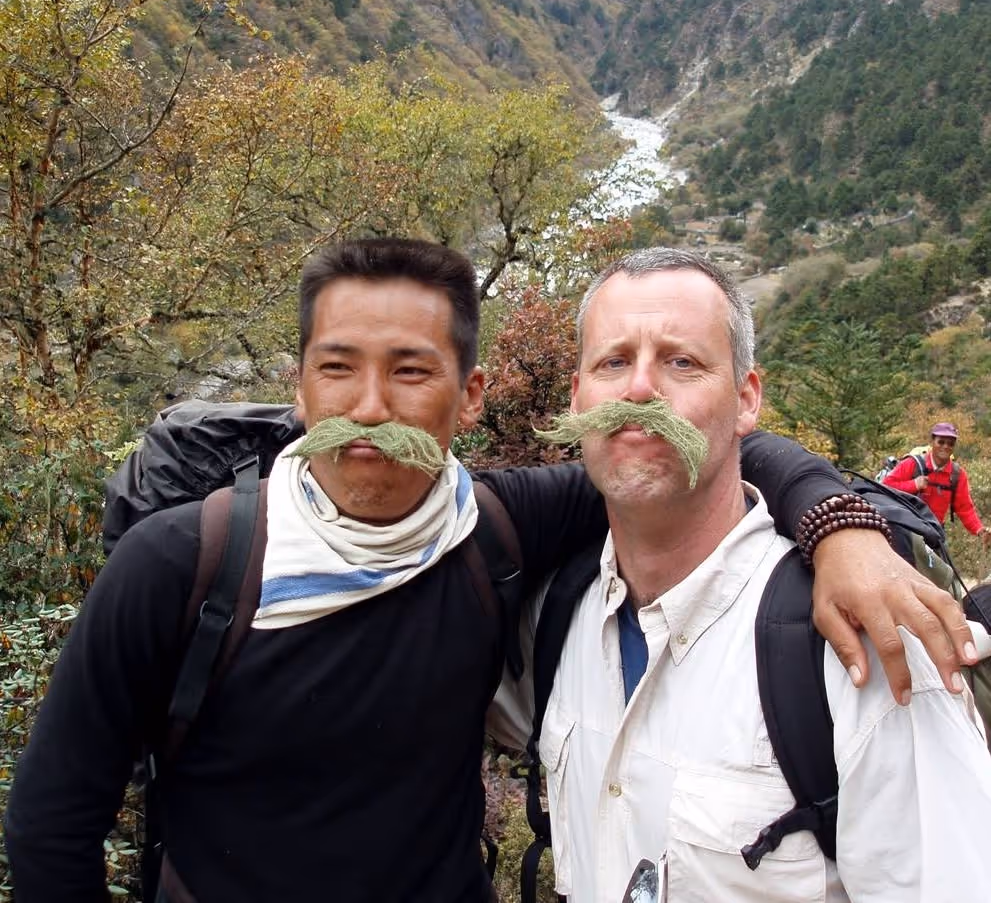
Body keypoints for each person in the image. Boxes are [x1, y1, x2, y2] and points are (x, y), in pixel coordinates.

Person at [4, 238, 975, 903]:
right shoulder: (184, 564)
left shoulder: (494, 528)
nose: (371, 405)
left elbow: (672, 444)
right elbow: (52, 825)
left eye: (411, 370)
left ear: (470, 394)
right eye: (338, 367)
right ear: (298, 387)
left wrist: (836, 523)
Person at [493, 247, 991, 902]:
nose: (639, 389)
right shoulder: (555, 620)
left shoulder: (859, 645)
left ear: (746, 399)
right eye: (612, 361)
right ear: (578, 397)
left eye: (681, 362)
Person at [883, 422, 990, 544]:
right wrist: (914, 485)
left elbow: (965, 508)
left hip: (934, 533)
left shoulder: (957, 475)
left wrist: (979, 530)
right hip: (905, 528)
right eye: (941, 442)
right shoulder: (912, 464)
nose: (945, 446)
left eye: (950, 443)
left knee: (944, 563)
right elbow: (886, 486)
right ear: (932, 441)